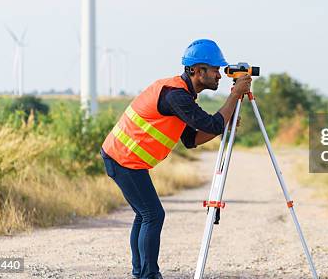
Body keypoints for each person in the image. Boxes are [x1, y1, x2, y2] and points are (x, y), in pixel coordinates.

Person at [100, 39, 252, 279]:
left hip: (126, 159)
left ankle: (141, 273)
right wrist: (235, 95)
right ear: (198, 70)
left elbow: (191, 139)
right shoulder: (176, 96)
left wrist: (222, 125)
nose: (220, 75)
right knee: (153, 215)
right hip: (123, 159)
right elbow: (211, 123)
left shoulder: (181, 96)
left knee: (145, 214)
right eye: (215, 70)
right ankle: (148, 275)